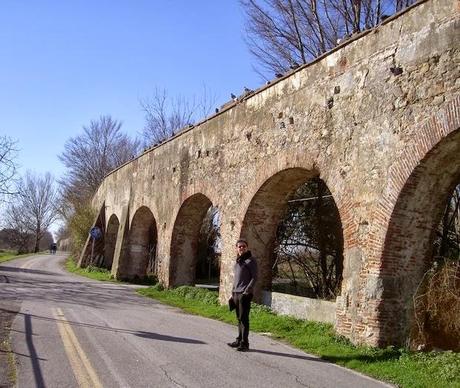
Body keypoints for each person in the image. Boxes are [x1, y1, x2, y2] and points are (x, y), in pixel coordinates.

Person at [227, 238, 257, 352]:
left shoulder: (251, 260)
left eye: (243, 246)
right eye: (239, 246)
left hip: (244, 294)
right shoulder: (238, 261)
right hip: (236, 294)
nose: (241, 248)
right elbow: (236, 279)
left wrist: (247, 291)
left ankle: (245, 344)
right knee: (239, 319)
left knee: (244, 319)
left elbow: (255, 277)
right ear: (236, 248)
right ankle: (239, 340)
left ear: (247, 247)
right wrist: (232, 293)